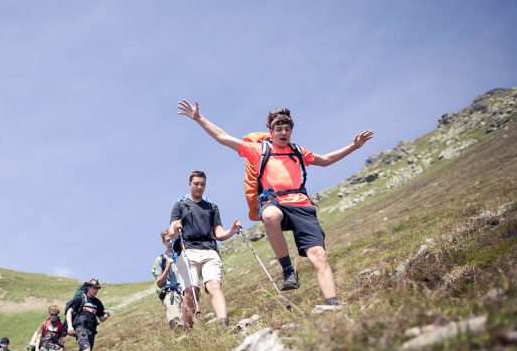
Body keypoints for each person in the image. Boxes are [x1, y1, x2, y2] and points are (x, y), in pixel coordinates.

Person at [177, 99, 373, 307]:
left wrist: (354, 146)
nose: (283, 133)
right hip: (274, 201)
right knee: (270, 215)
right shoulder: (259, 150)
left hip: (301, 205)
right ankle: (288, 269)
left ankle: (333, 304)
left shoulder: (297, 151)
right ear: (271, 131)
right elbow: (223, 138)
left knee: (319, 256)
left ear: (291, 132)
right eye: (278, 129)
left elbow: (324, 160)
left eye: (287, 129)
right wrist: (198, 118)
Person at [169, 170, 242, 328]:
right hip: (188, 251)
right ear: (190, 185)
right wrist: (175, 228)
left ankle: (223, 322)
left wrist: (232, 231)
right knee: (191, 292)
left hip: (209, 251)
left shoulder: (211, 207)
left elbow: (219, 233)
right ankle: (188, 330)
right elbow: (171, 232)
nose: (199, 187)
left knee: (214, 286)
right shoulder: (180, 206)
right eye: (196, 184)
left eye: (202, 184)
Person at [66, 279, 110, 351]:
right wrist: (69, 326)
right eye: (94, 288)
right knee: (86, 348)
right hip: (80, 327)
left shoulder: (97, 302)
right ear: (89, 287)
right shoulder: (81, 298)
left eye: (97, 289)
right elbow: (69, 311)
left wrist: (106, 316)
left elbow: (101, 318)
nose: (96, 290)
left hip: (91, 330)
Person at [154, 229, 184, 330]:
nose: (170, 242)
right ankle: (181, 340)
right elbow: (159, 283)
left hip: (185, 291)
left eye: (172, 239)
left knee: (190, 320)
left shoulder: (183, 254)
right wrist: (167, 267)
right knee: (175, 320)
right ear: (163, 242)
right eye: (167, 240)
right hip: (171, 293)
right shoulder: (161, 259)